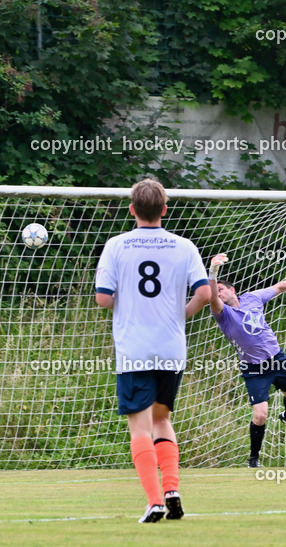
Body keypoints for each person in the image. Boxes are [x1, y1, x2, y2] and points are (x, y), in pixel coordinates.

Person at [95, 178, 210, 523]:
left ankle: (155, 501)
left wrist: (129, 304)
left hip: (134, 349)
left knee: (140, 428)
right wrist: (181, 313)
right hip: (171, 347)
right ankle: (173, 488)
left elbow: (103, 299)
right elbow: (205, 294)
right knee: (162, 419)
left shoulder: (117, 245)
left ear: (132, 209)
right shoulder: (184, 246)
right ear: (164, 209)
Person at [206, 253, 286, 467]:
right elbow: (211, 297)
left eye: (221, 289)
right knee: (260, 415)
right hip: (254, 368)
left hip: (277, 359)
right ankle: (253, 459)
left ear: (232, 290)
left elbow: (280, 286)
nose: (218, 294)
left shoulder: (253, 298)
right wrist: (213, 273)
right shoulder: (222, 313)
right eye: (216, 292)